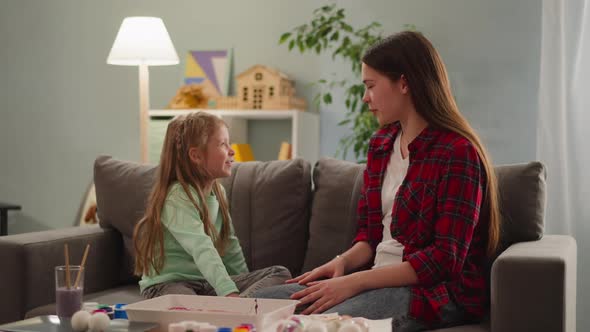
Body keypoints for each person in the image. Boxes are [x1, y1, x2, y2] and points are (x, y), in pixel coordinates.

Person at [253, 31, 501, 331]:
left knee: (314, 324)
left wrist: (354, 283)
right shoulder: (382, 144)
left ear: (405, 83)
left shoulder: (458, 153)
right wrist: (342, 263)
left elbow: (443, 261)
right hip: (375, 281)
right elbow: (370, 237)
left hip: (431, 294)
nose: (365, 97)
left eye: (371, 86)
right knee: (257, 305)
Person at [133, 112, 291, 299]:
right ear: (196, 155)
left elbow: (231, 248)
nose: (231, 151)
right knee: (186, 302)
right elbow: (201, 247)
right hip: (168, 285)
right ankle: (233, 308)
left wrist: (239, 283)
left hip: (204, 285)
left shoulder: (218, 193)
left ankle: (234, 307)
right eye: (223, 144)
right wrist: (228, 291)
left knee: (280, 273)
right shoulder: (177, 196)